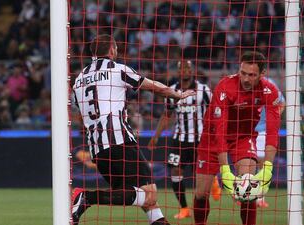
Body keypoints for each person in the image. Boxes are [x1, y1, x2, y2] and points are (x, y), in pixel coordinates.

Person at [72, 34, 195, 225]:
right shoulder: (117, 69)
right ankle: (86, 198)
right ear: (112, 49)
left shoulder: (79, 80)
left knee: (141, 197)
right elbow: (155, 87)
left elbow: (80, 112)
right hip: (119, 141)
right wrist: (178, 94)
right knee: (150, 193)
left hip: (97, 148)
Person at [193, 51, 281, 225]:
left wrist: (268, 167)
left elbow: (272, 131)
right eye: (243, 73)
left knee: (249, 188)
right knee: (201, 193)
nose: (246, 79)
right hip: (212, 138)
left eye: (252, 75)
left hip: (243, 137)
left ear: (262, 74)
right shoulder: (225, 87)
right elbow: (220, 130)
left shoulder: (269, 90)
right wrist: (225, 169)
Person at [147, 60, 221, 219]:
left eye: (188, 68)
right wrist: (156, 136)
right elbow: (167, 115)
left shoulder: (204, 90)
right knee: (175, 171)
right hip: (179, 140)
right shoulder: (171, 91)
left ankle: (214, 180)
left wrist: (216, 133)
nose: (185, 71)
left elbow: (215, 111)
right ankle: (184, 208)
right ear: (178, 72)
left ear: (192, 70)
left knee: (200, 174)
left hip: (201, 140)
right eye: (182, 68)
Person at [254, 77, 285, 208]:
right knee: (245, 164)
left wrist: (273, 118)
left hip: (262, 131)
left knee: (262, 164)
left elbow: (282, 103)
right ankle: (244, 194)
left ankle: (260, 198)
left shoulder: (270, 84)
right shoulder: (243, 80)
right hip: (244, 130)